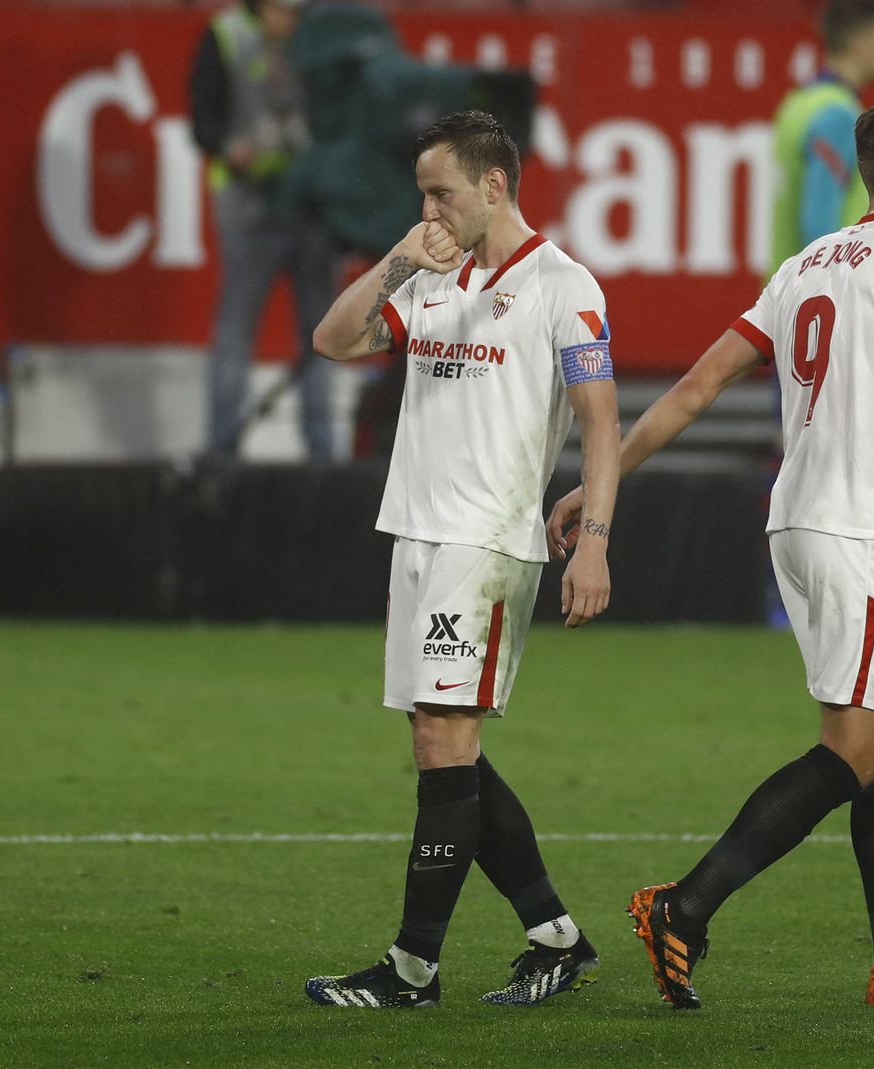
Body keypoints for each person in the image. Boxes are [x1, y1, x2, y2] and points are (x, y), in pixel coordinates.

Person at [549, 98, 874, 1010]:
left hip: (800, 521)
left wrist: (599, 477)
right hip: (861, 530)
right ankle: (683, 907)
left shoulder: (807, 263)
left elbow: (698, 387)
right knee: (856, 751)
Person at [303, 110, 621, 1009]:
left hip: (485, 543)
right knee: (447, 749)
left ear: (495, 185)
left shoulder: (564, 287)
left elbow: (600, 422)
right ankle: (555, 935)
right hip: (415, 532)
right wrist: (402, 257)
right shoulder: (431, 274)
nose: (429, 208)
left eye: (441, 191)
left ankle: (412, 969)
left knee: (445, 742)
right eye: (421, 194)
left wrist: (593, 541)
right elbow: (332, 339)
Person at [189, 0, 340, 461]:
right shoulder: (225, 36)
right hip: (249, 210)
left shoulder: (320, 33)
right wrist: (228, 147)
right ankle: (222, 449)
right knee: (235, 331)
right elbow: (203, 120)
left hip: (311, 212)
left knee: (323, 334)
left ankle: (322, 453)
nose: (290, 23)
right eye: (282, 12)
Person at [768, 0, 874, 276]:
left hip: (785, 295)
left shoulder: (797, 103)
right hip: (816, 302)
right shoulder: (838, 116)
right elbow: (818, 226)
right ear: (858, 41)